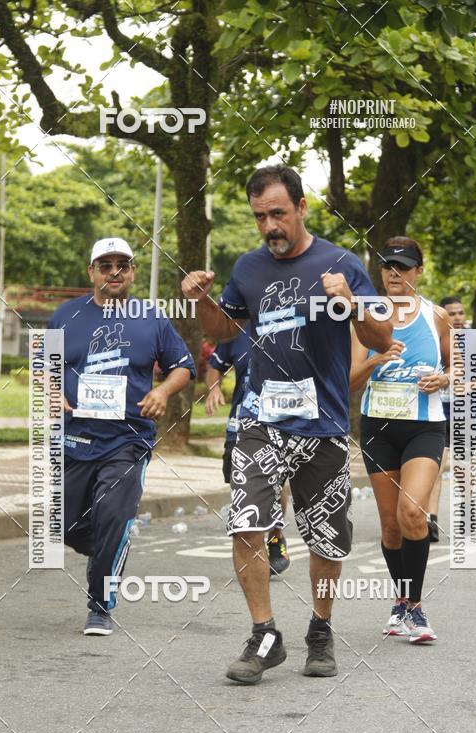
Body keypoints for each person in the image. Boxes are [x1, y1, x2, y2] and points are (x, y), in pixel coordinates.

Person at [181, 164, 391, 684]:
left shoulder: (341, 262)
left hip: (322, 424)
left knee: (326, 540)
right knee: (246, 521)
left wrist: (352, 302)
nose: (269, 225)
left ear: (301, 208)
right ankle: (264, 634)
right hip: (260, 418)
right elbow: (224, 329)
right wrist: (203, 299)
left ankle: (320, 629)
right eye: (259, 217)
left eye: (278, 213)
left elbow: (382, 338)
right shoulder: (248, 268)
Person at [49, 237, 195, 636]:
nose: (115, 271)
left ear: (131, 272)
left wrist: (162, 391)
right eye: (105, 264)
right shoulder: (65, 316)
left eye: (123, 264)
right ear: (91, 271)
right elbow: (43, 368)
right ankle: (108, 550)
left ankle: (100, 606)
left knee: (113, 515)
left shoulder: (152, 318)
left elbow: (183, 367)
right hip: (74, 439)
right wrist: (53, 390)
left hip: (128, 441)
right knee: (58, 524)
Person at [353, 236, 451, 644]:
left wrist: (445, 378)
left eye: (404, 267)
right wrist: (376, 359)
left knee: (413, 514)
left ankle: (414, 607)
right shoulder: (363, 318)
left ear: (419, 272)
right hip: (378, 427)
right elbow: (350, 382)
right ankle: (401, 602)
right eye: (388, 266)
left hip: (424, 426)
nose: (395, 273)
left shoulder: (438, 316)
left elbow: (460, 366)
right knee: (391, 527)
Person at [205, 327, 291, 575]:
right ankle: (252, 540)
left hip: (279, 421)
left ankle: (275, 535)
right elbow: (214, 369)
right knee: (241, 484)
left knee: (274, 484)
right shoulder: (233, 332)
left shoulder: (288, 327)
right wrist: (214, 388)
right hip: (239, 424)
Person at [427, 295, 476, 541]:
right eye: (452, 313)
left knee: (462, 469)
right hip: (436, 414)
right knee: (435, 469)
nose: (457, 318)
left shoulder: (474, 340)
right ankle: (431, 522)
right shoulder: (432, 340)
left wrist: (469, 385)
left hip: (466, 415)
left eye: (460, 313)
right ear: (442, 316)